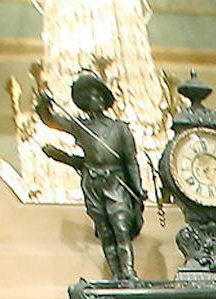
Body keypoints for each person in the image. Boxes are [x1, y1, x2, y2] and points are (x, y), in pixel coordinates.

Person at [36, 69, 146, 282]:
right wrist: (43, 103)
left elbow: (131, 161)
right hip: (93, 183)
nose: (92, 99)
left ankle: (129, 273)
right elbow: (50, 119)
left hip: (116, 182)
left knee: (120, 226)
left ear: (104, 99)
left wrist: (137, 187)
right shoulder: (80, 127)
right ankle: (116, 274)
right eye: (87, 97)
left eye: (96, 95)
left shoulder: (119, 129)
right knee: (105, 230)